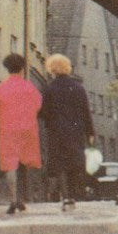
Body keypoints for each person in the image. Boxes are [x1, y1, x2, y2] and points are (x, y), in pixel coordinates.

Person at [0, 54, 42, 214]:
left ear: (7, 68)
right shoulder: (30, 87)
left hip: (7, 129)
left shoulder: (1, 89)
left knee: (10, 163)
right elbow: (38, 105)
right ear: (22, 68)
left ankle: (13, 199)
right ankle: (22, 198)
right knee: (23, 162)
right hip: (27, 128)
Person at [40, 53, 95, 212]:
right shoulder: (78, 88)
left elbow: (44, 112)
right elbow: (86, 112)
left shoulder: (49, 88)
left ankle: (66, 198)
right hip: (75, 131)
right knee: (73, 163)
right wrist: (90, 132)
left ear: (52, 69)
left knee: (60, 165)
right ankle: (72, 196)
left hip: (56, 131)